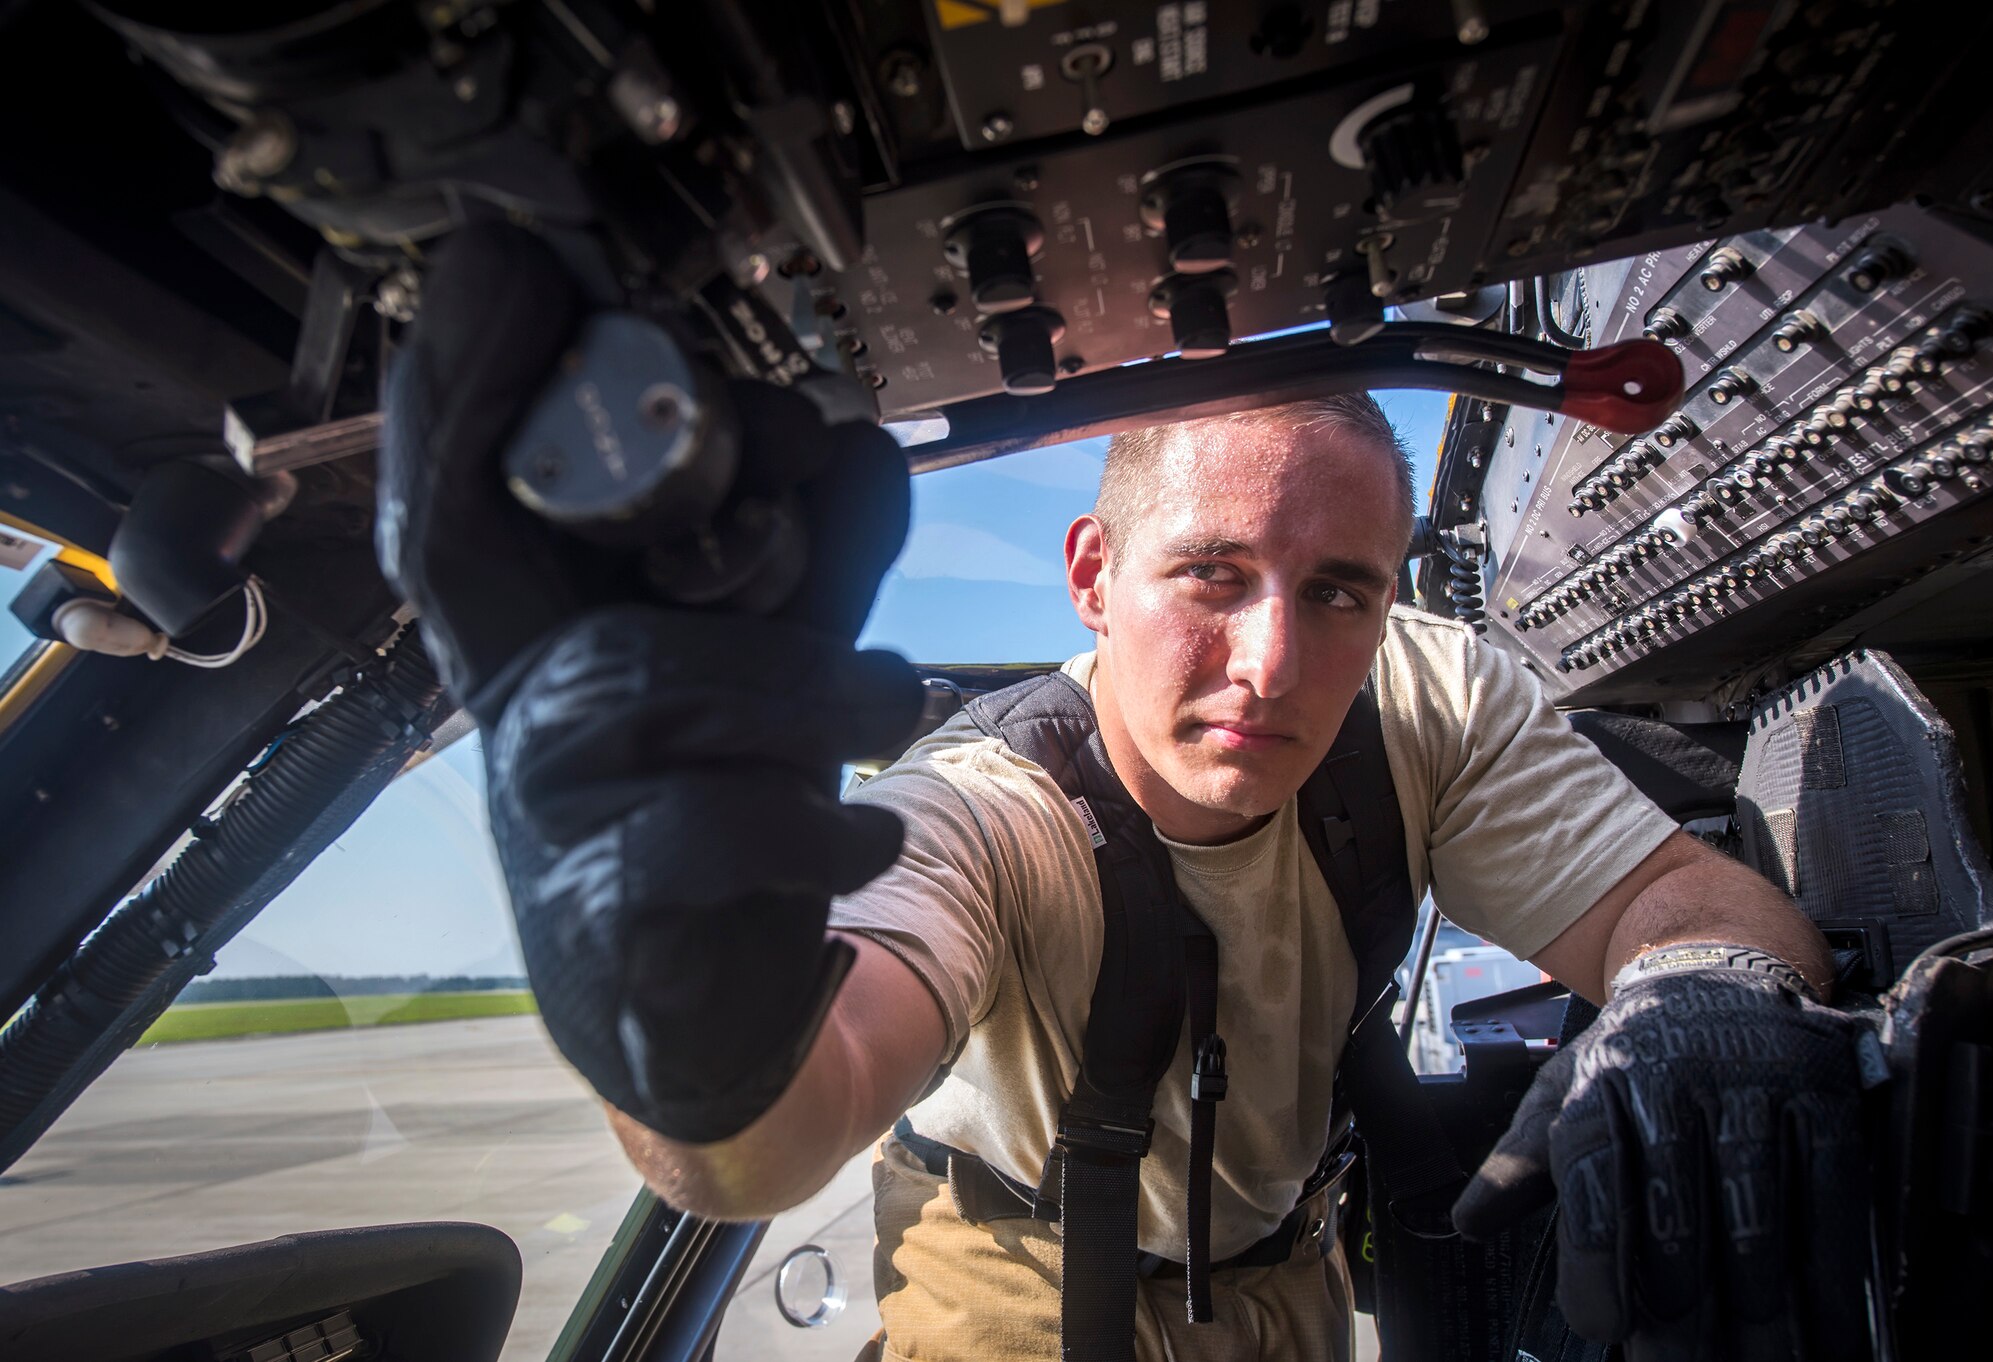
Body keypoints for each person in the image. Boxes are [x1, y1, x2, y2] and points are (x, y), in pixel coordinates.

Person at [380, 225, 1873, 1362]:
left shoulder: (1428, 692)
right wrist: (688, 1063)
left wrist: (1704, 987)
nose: (1275, 659)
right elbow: (784, 1131)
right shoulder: (988, 807)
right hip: (1007, 1290)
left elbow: (1690, 903)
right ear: (1094, 575)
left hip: (1289, 1276)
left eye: (1339, 590)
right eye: (1213, 575)